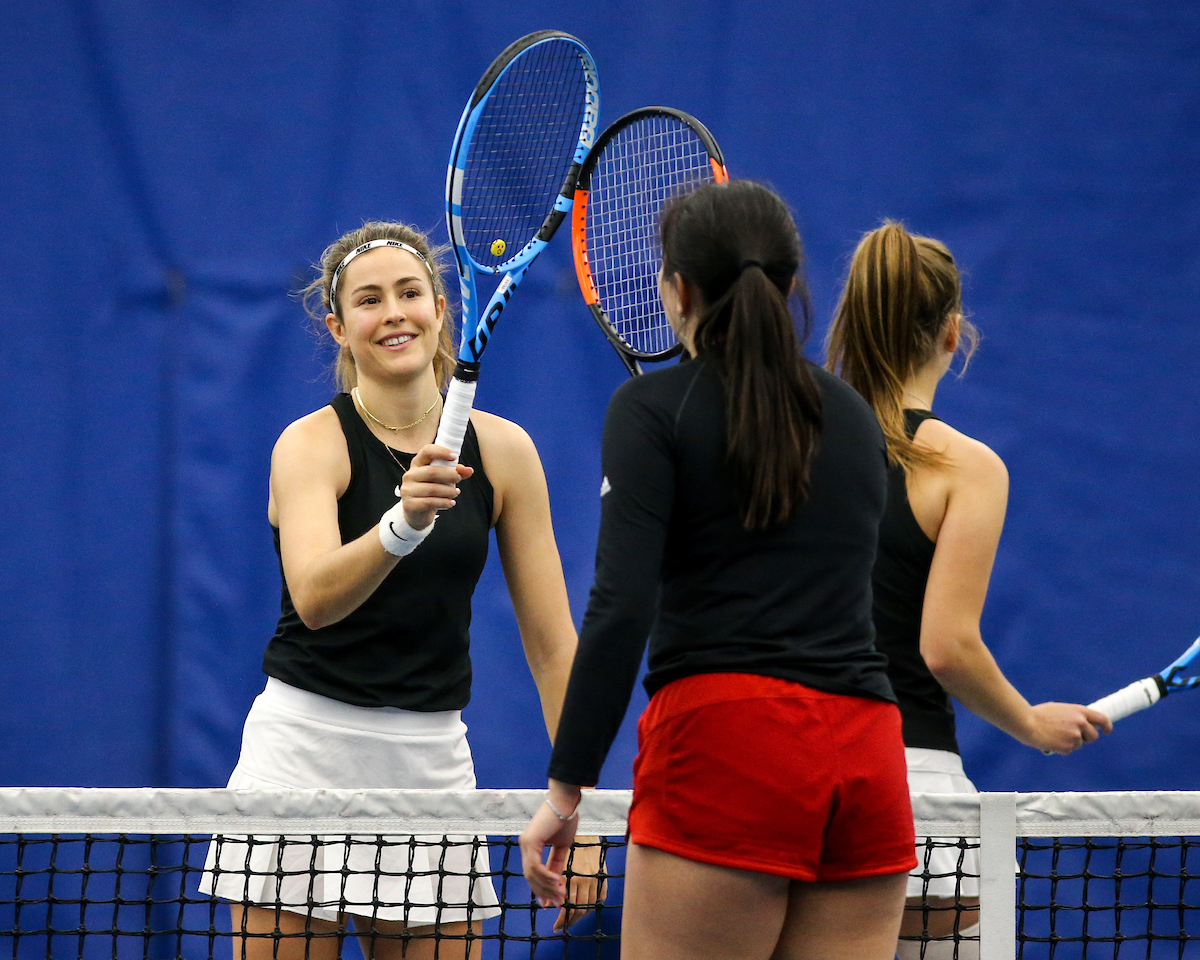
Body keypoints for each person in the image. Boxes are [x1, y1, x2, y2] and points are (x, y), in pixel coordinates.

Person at [520, 181, 917, 960]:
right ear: (790, 284)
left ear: (678, 290)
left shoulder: (649, 409)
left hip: (729, 747)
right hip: (867, 758)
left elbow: (620, 607)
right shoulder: (855, 416)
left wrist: (567, 788)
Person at [198, 221, 600, 960]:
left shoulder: (506, 451)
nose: (394, 314)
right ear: (338, 327)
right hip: (301, 761)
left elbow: (552, 647)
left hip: (431, 768)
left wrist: (585, 803)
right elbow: (316, 598)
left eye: (410, 293)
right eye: (369, 300)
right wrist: (403, 522)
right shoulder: (309, 444)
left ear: (440, 309)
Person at [825, 221, 1112, 959]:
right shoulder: (968, 468)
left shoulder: (786, 446)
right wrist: (1030, 725)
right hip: (915, 799)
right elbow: (946, 646)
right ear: (953, 335)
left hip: (796, 790)